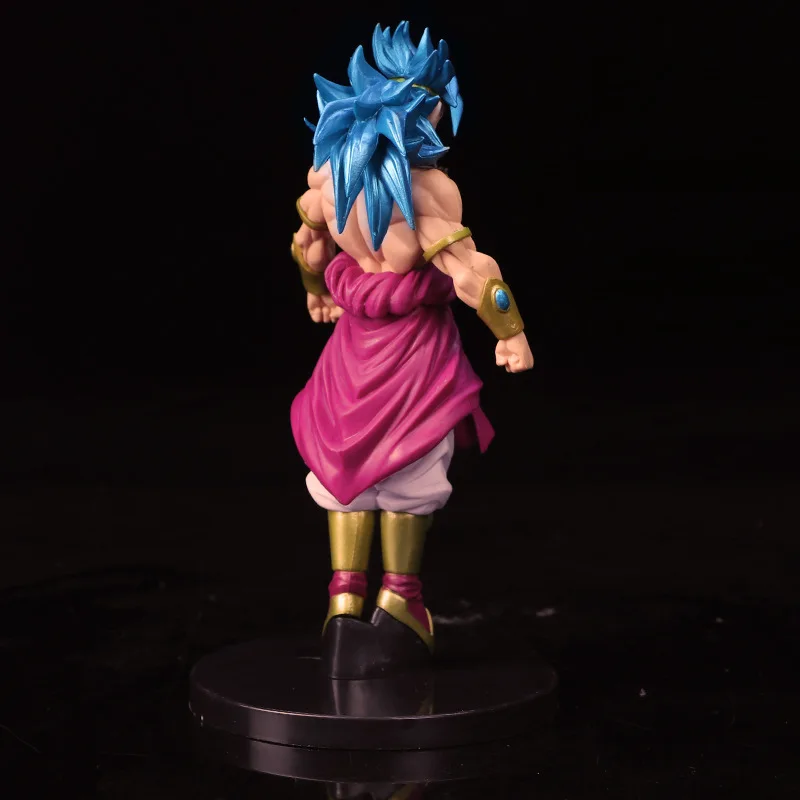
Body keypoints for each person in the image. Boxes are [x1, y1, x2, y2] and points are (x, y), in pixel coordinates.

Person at [290, 22, 534, 678]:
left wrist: (318, 292)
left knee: (343, 464)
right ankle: (399, 603)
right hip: (411, 355)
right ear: (427, 110)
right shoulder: (426, 191)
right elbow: (476, 274)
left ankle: (343, 603)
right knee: (408, 470)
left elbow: (306, 245)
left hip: (351, 351)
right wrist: (510, 334)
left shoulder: (327, 178)